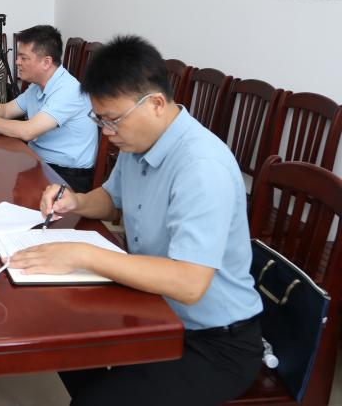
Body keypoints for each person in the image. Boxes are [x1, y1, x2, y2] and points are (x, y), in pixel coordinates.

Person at [15, 35, 263, 406]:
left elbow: (189, 282)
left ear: (156, 104)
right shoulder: (138, 142)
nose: (106, 132)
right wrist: (76, 200)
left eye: (113, 120)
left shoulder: (201, 167)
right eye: (99, 120)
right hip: (154, 310)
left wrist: (82, 254)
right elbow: (113, 200)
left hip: (213, 341)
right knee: (61, 339)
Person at [0, 25, 97, 192]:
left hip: (66, 176)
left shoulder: (68, 90)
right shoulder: (38, 85)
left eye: (23, 58)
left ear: (46, 62)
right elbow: (6, 110)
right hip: (40, 162)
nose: (17, 62)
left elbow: (28, 131)